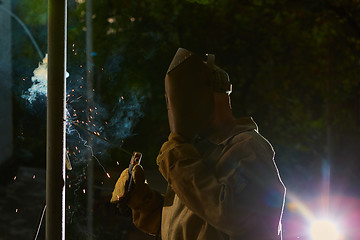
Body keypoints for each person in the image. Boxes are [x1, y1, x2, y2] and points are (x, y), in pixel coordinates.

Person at [111, 48, 286, 239]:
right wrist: (143, 202)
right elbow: (191, 226)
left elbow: (233, 216)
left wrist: (177, 159)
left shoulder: (247, 147)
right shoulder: (199, 154)